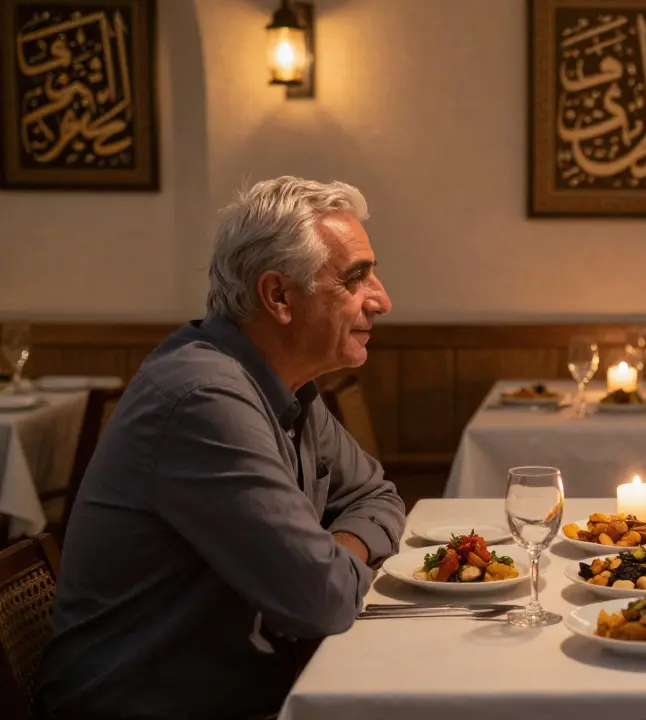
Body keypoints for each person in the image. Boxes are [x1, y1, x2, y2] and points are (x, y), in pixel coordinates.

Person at [35, 177, 405, 720]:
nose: (383, 300)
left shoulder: (285, 381)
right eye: (356, 279)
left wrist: (337, 548)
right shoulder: (203, 398)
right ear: (278, 295)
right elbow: (321, 601)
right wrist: (332, 565)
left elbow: (378, 494)